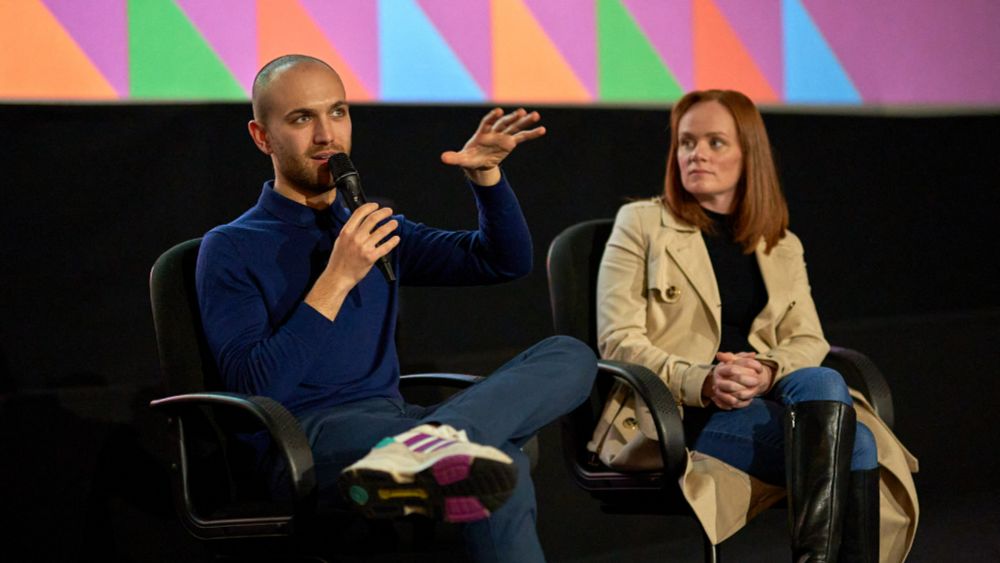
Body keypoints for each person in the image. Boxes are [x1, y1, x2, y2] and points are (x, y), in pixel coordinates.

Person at [196, 54, 597, 563]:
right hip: (306, 440)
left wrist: (487, 180)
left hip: (398, 424)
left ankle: (427, 448)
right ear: (262, 136)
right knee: (501, 466)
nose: (327, 135)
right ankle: (434, 448)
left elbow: (501, 261)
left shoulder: (371, 222)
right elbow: (254, 390)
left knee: (570, 354)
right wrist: (336, 278)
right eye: (302, 119)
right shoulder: (230, 247)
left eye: (338, 113)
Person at [588, 90, 918, 562]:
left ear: (749, 155)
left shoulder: (781, 242)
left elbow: (808, 338)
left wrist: (766, 370)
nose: (696, 153)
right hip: (683, 415)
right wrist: (703, 380)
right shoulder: (641, 223)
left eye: (715, 142)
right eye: (686, 142)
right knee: (857, 443)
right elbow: (617, 340)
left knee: (823, 377)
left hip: (770, 399)